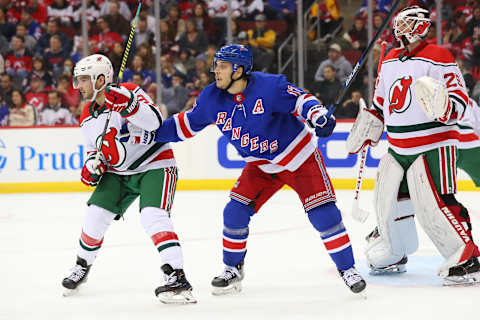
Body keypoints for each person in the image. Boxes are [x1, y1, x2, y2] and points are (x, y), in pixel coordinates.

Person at [130, 44, 367, 295]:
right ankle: (233, 269)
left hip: (299, 158)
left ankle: (348, 269)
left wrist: (317, 114)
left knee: (324, 214)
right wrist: (152, 134)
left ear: (239, 70)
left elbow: (300, 100)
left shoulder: (269, 86)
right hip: (260, 166)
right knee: (234, 212)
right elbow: (185, 125)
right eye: (216, 65)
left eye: (222, 66)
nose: (216, 71)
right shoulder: (212, 98)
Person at [346, 6, 480, 285]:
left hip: (434, 143)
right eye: (400, 21)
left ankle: (466, 256)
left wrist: (445, 107)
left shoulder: (439, 56)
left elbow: (459, 99)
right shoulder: (391, 59)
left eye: (408, 21)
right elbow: (381, 103)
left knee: (436, 202)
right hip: (398, 146)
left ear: (421, 26)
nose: (400, 26)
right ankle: (395, 251)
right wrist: (370, 123)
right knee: (390, 199)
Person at [61, 54, 196, 304]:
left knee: (152, 216)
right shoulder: (87, 114)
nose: (77, 86)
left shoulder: (130, 91)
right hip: (118, 172)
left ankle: (177, 276)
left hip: (154, 165)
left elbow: (155, 122)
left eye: (82, 80)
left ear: (100, 79)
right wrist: (92, 163)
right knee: (94, 217)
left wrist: (128, 104)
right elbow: (94, 148)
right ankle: (82, 265)